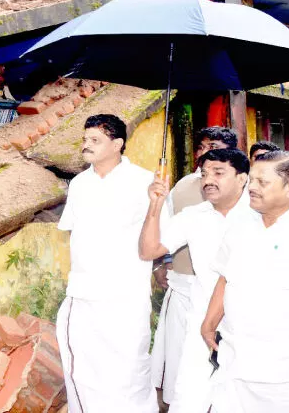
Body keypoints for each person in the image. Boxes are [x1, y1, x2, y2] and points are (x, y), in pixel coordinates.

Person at [201, 151, 289, 412]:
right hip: (235, 359)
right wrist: (209, 322)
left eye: (262, 182)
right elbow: (226, 276)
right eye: (252, 180)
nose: (251, 188)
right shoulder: (241, 224)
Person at [55, 114, 158, 413]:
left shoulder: (146, 182)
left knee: (129, 367)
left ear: (117, 144)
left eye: (95, 140)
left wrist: (157, 201)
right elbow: (74, 233)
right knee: (84, 367)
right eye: (85, 139)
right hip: (85, 292)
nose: (86, 146)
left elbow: (157, 240)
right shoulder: (79, 184)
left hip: (127, 292)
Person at [140, 148, 250, 413]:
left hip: (250, 321)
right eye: (204, 174)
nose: (208, 180)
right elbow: (148, 251)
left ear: (242, 178)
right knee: (190, 397)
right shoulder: (194, 216)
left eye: (218, 172)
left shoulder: (259, 214)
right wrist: (155, 204)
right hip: (202, 320)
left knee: (243, 398)